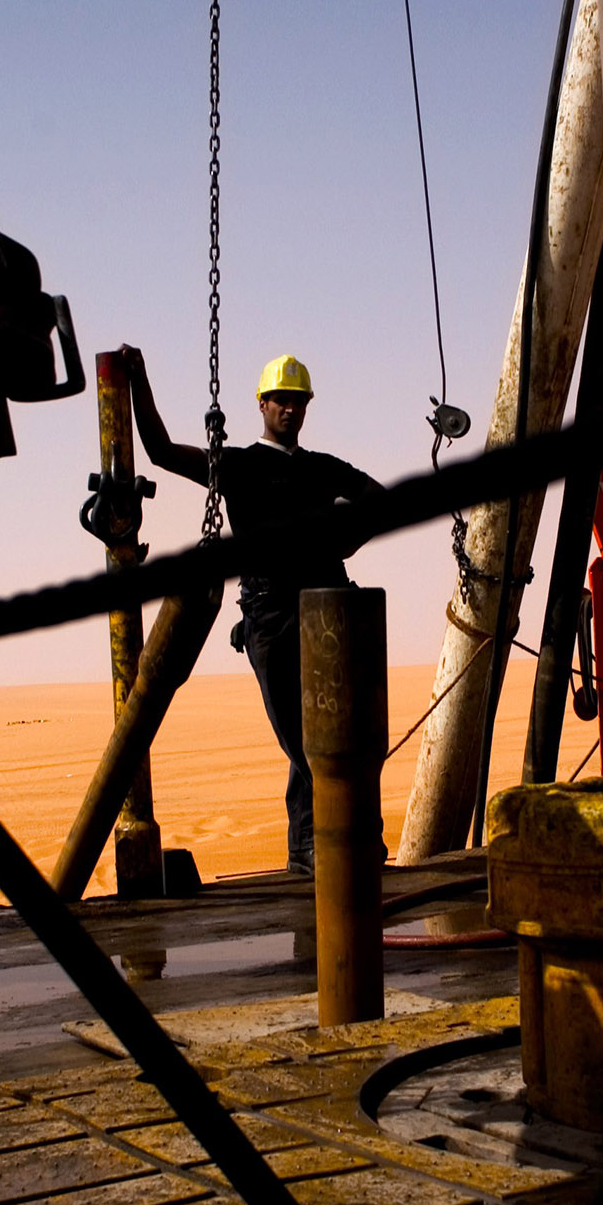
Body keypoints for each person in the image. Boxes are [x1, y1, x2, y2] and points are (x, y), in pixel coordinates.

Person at [125, 348, 382, 874]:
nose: (290, 410)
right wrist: (138, 379)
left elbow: (381, 501)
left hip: (327, 613)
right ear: (262, 405)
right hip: (271, 615)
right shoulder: (238, 466)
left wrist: (346, 537)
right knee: (301, 736)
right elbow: (160, 452)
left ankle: (313, 847)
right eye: (281, 401)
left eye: (298, 402)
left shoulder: (323, 468)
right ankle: (320, 844)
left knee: (330, 731)